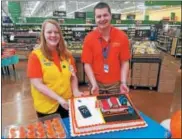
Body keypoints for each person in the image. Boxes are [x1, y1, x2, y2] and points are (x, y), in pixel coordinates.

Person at [27, 19, 83, 118]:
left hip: (66, 103)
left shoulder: (67, 55)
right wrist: (58, 98)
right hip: (47, 107)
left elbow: (73, 76)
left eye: (56, 32)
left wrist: (75, 90)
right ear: (43, 34)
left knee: (69, 130)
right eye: (49, 32)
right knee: (52, 132)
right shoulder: (35, 56)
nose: (53, 35)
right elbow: (37, 84)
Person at [81, 2, 131, 94]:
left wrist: (123, 82)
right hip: (95, 83)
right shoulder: (89, 38)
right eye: (99, 16)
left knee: (114, 107)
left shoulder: (122, 36)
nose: (102, 19)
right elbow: (87, 64)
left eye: (105, 15)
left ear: (110, 16)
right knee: (96, 107)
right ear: (95, 19)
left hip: (115, 84)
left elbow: (125, 62)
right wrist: (94, 83)